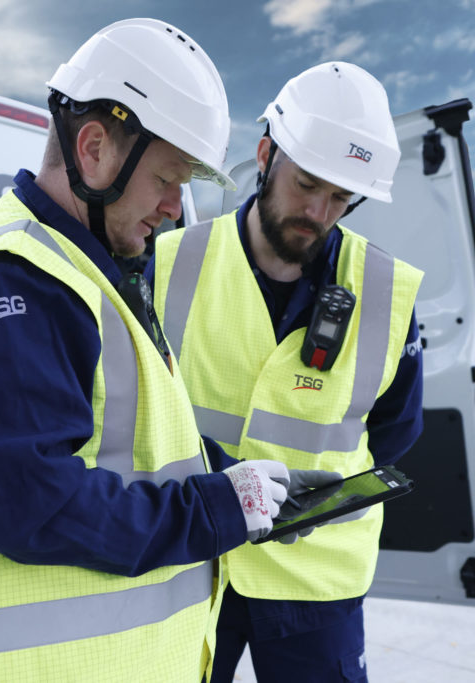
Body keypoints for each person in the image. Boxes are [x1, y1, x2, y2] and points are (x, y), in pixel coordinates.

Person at [0, 18, 301, 682]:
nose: (176, 209)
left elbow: (129, 443)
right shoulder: (13, 280)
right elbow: (34, 506)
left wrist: (229, 479)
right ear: (94, 150)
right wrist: (214, 509)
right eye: (169, 180)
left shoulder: (91, 271)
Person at [148, 62, 425, 682]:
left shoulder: (387, 292)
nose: (320, 211)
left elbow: (395, 430)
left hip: (316, 582)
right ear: (266, 154)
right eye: (307, 185)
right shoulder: (168, 264)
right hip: (198, 558)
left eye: (341, 198)